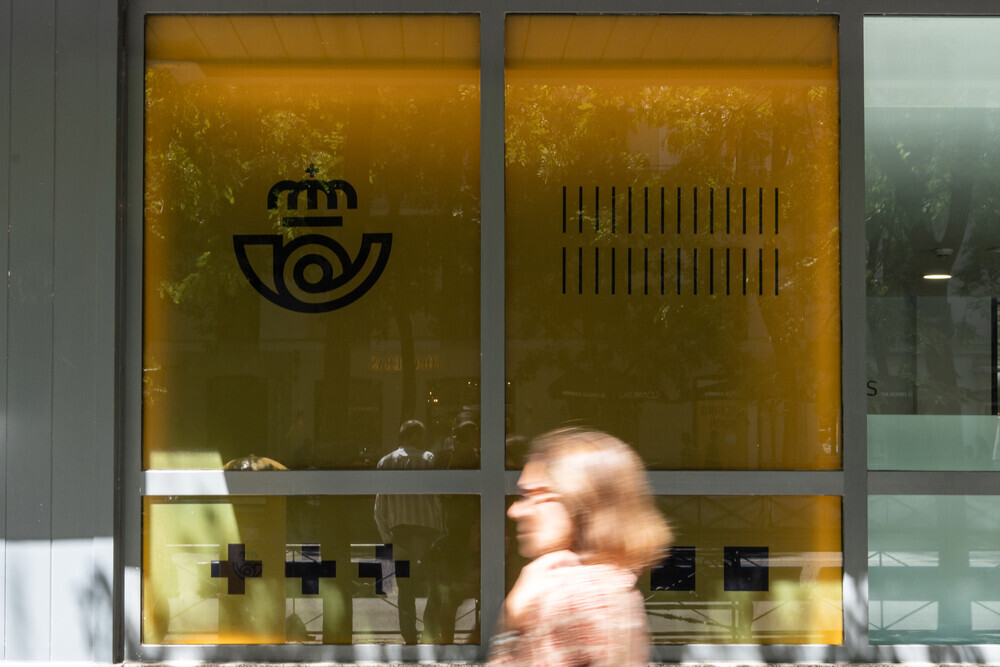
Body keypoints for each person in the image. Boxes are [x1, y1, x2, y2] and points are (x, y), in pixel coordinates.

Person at [490, 428, 671, 666]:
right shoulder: (613, 584)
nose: (514, 511)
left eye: (533, 495)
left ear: (580, 498)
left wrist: (511, 621)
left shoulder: (571, 598)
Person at [374, 419, 445, 643]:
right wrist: (443, 529)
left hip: (401, 533)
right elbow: (437, 500)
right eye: (422, 435)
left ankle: (409, 635)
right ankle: (431, 630)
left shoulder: (385, 462)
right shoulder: (429, 460)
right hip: (428, 532)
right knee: (434, 584)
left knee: (406, 589)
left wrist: (388, 537)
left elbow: (379, 507)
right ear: (415, 436)